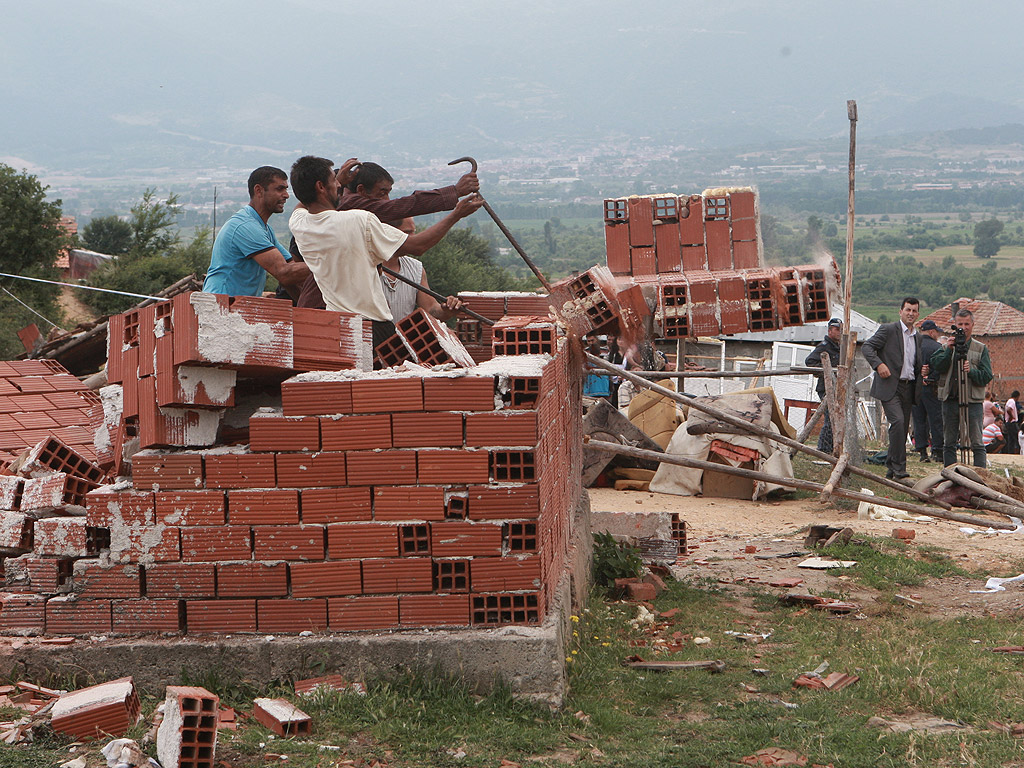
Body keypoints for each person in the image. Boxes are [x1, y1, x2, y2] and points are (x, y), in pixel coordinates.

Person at [287, 156, 483, 351]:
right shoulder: (358, 220)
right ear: (321, 187)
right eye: (334, 180)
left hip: (336, 323)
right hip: (371, 325)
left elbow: (303, 204)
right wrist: (456, 214)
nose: (339, 184)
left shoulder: (299, 223)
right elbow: (417, 246)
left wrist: (339, 180)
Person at [203, 166, 310, 297]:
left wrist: (305, 306)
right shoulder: (245, 226)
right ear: (259, 190)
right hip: (220, 305)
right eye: (279, 189)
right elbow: (284, 273)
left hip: (237, 307)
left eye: (286, 189)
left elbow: (290, 270)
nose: (286, 195)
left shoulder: (264, 229)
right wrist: (330, 264)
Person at [862, 297, 924, 481]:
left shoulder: (918, 337)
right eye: (907, 310)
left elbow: (913, 362)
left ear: (918, 314)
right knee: (897, 422)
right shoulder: (888, 330)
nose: (910, 313)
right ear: (900, 312)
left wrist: (922, 370)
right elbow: (867, 347)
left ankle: (891, 467)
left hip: (909, 386)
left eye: (914, 311)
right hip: (890, 386)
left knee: (902, 428)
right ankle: (899, 470)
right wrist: (879, 365)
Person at [931, 308, 993, 468]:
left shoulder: (980, 348)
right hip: (950, 399)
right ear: (955, 325)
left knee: (977, 442)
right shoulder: (947, 346)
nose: (963, 327)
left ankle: (980, 478)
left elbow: (987, 376)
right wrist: (948, 351)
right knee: (949, 442)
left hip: (972, 401)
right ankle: (951, 476)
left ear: (972, 325)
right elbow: (936, 365)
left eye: (967, 324)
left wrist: (971, 371)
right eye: (960, 324)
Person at [378, 218, 465, 322]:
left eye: (414, 232)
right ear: (388, 233)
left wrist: (447, 310)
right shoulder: (365, 267)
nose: (413, 238)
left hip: (402, 338)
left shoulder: (415, 267)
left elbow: (431, 310)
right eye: (407, 233)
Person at [341, 161, 479, 220]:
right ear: (361, 190)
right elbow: (407, 205)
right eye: (382, 193)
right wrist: (455, 191)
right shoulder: (352, 206)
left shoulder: (343, 199)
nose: (386, 200)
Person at [805, 318, 842, 454]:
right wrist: (825, 371)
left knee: (836, 418)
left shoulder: (839, 347)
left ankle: (832, 447)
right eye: (837, 329)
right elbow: (809, 362)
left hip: (837, 388)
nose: (839, 332)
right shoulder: (824, 346)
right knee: (830, 417)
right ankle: (823, 449)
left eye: (840, 330)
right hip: (826, 389)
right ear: (830, 330)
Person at [911, 319, 944, 462]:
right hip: (932, 387)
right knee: (935, 419)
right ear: (932, 332)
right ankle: (937, 451)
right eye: (936, 332)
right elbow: (940, 368)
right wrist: (930, 377)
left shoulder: (912, 345)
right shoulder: (937, 347)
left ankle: (922, 451)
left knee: (919, 420)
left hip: (915, 387)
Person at [583, 336, 613, 402]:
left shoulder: (605, 357)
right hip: (600, 391)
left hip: (598, 391)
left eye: (592, 340)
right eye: (589, 341)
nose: (591, 343)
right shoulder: (605, 363)